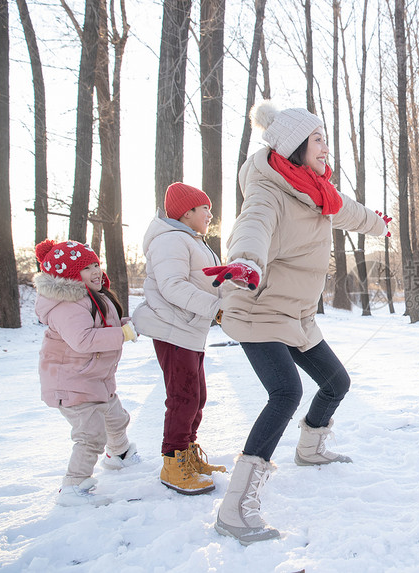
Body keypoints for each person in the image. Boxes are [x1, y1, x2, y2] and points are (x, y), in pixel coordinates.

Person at [205, 101, 389, 545]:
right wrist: (245, 262)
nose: (326, 147)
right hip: (259, 309)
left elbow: (352, 211)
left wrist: (379, 225)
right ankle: (235, 509)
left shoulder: (317, 192)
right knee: (286, 392)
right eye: (319, 139)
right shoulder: (268, 191)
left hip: (297, 316)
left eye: (325, 137)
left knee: (336, 383)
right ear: (295, 147)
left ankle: (310, 450)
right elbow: (251, 228)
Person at [132, 183, 226, 496]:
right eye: (204, 209)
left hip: (190, 330)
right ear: (187, 212)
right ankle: (173, 464)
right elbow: (172, 286)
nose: (210, 214)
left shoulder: (190, 240)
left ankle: (187, 454)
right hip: (173, 329)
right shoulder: (170, 240)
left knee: (196, 397)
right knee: (183, 398)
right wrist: (217, 309)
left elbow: (208, 281)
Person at [34, 239, 141, 506]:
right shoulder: (66, 305)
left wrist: (126, 325)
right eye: (86, 268)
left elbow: (104, 325)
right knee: (91, 435)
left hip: (93, 379)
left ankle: (119, 455)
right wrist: (121, 335)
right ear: (69, 275)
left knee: (116, 419)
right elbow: (82, 340)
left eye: (95, 264)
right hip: (70, 383)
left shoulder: (93, 296)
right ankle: (73, 487)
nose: (95, 270)